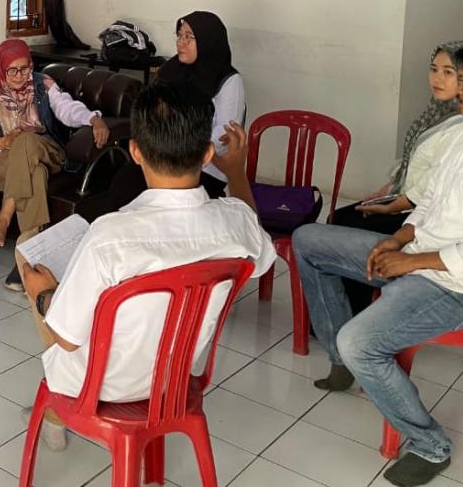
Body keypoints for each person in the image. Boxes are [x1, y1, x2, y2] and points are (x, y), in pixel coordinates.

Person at [293, 42, 463, 487]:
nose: (458, 89)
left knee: (360, 341)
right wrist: (398, 239)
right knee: (308, 241)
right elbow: (431, 201)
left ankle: (430, 445)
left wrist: (409, 262)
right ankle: (342, 362)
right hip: (419, 257)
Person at [20, 81, 276, 451]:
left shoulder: (110, 235)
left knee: (34, 265)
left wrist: (43, 294)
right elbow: (258, 242)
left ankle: (57, 417)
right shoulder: (235, 222)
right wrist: (236, 172)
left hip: (100, 386)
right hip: (177, 380)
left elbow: (68, 340)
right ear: (208, 154)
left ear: (135, 152)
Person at [0, 39, 110, 292]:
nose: (21, 76)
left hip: (45, 151)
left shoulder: (43, 84)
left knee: (27, 140)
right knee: (35, 172)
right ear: (1, 69)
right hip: (4, 163)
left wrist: (92, 118)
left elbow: (67, 110)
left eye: (25, 68)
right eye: (13, 70)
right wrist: (1, 142)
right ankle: (27, 256)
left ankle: (5, 216)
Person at [332, 40, 463, 313]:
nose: (437, 78)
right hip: (405, 200)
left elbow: (433, 184)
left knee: (347, 223)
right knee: (343, 217)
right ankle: (346, 309)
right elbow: (413, 165)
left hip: (424, 214)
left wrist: (391, 206)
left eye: (448, 72)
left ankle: (353, 312)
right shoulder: (437, 113)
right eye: (434, 69)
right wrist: (387, 190)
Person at [157, 11, 244, 197]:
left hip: (207, 166)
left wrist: (185, 151)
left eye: (189, 37)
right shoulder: (169, 71)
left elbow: (226, 133)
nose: (181, 42)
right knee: (126, 184)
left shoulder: (228, 80)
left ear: (207, 42)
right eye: (180, 35)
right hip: (164, 158)